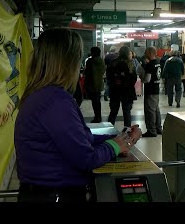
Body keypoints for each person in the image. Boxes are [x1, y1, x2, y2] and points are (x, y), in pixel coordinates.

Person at [14, 28, 142, 203]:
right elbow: (86, 158)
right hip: (56, 196)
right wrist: (114, 146)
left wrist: (120, 137)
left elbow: (80, 138)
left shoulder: (41, 95)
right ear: (68, 62)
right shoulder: (55, 101)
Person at [107, 45, 138, 127]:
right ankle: (127, 131)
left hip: (115, 91)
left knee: (113, 112)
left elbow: (109, 76)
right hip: (127, 91)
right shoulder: (130, 64)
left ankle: (108, 129)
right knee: (127, 112)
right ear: (128, 53)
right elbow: (134, 78)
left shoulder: (113, 62)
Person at [137, 46, 162, 137]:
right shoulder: (158, 62)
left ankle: (151, 130)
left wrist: (141, 78)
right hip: (156, 89)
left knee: (150, 111)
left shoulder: (150, 65)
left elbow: (147, 79)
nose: (144, 54)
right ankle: (158, 128)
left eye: (146, 52)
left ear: (150, 53)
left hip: (150, 90)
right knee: (156, 110)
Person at [84, 46, 106, 123]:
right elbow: (103, 71)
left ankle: (97, 117)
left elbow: (87, 73)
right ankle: (99, 117)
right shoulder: (101, 61)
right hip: (99, 84)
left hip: (91, 85)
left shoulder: (89, 61)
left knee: (94, 102)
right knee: (98, 102)